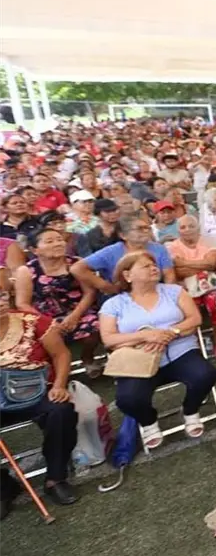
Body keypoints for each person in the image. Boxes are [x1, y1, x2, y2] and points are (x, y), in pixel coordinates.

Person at [100, 251, 216, 449]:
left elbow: (195, 319)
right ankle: (149, 421)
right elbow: (109, 338)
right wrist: (145, 336)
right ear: (127, 276)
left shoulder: (174, 291)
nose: (154, 268)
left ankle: (190, 411)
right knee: (127, 399)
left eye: (154, 265)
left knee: (205, 374)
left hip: (180, 351)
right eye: (145, 266)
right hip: (138, 359)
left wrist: (171, 332)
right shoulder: (113, 304)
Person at [0, 289, 80, 516]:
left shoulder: (33, 322)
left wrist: (60, 386)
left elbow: (61, 355)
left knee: (60, 410)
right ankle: (3, 488)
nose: (0, 302)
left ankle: (56, 478)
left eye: (2, 295)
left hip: (35, 391)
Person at [14, 228, 101, 375]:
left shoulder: (77, 263)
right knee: (41, 335)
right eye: (49, 241)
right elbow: (22, 303)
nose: (58, 244)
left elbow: (89, 292)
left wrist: (74, 317)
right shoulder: (26, 271)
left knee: (96, 325)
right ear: (34, 249)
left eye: (59, 240)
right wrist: (47, 322)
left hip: (78, 311)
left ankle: (88, 358)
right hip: (44, 317)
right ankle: (55, 371)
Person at [72, 211, 177, 294]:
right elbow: (77, 268)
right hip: (122, 296)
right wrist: (106, 286)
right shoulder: (111, 252)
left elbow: (169, 276)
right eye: (140, 229)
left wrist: (167, 296)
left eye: (147, 228)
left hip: (154, 292)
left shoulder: (159, 249)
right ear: (123, 235)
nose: (146, 231)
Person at [166, 215, 216, 358]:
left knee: (215, 303)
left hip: (211, 285)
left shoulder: (209, 240)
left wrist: (185, 263)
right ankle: (194, 346)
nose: (187, 230)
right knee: (185, 310)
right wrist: (203, 264)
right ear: (178, 230)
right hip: (186, 288)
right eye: (182, 227)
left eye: (191, 226)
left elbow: (212, 263)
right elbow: (178, 271)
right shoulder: (172, 246)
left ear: (198, 227)